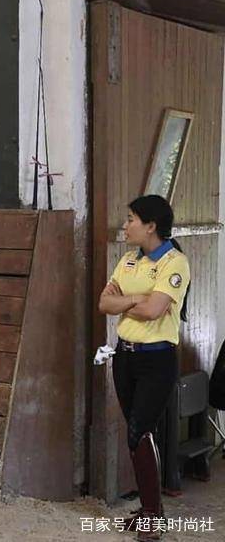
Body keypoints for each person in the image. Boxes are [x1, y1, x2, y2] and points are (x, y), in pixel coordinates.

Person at [99, 195, 190, 541]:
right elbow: (104, 302)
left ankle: (152, 514)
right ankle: (152, 508)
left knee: (140, 430)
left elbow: (155, 312)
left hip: (157, 359)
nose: (126, 225)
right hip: (125, 356)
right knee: (135, 433)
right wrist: (139, 299)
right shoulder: (128, 260)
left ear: (151, 226)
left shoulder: (174, 262)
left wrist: (130, 302)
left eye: (132, 219)